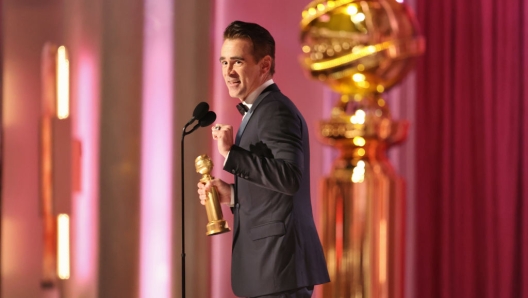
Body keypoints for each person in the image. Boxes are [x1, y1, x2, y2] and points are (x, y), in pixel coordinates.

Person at [197, 20, 330, 298]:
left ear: (264, 65)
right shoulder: (260, 109)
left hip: (277, 269)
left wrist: (231, 154)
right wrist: (232, 195)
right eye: (224, 62)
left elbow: (290, 178)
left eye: (237, 62)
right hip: (271, 270)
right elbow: (276, 190)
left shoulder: (274, 110)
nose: (228, 72)